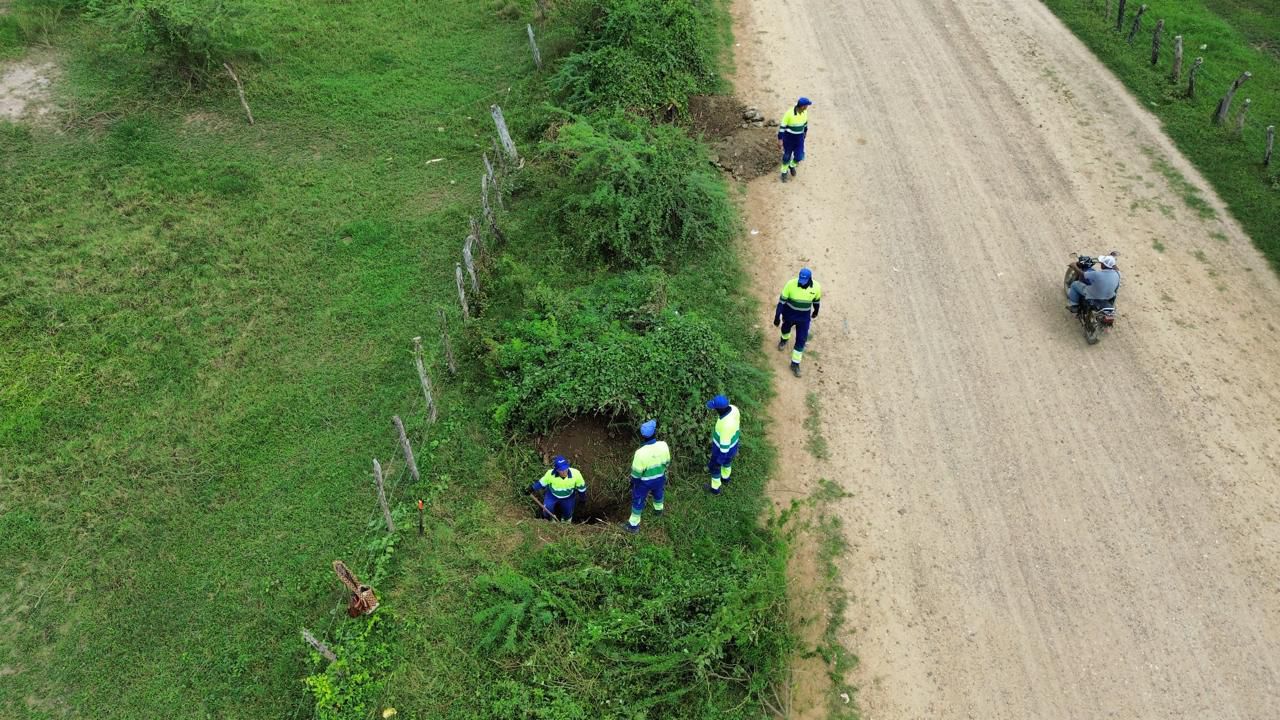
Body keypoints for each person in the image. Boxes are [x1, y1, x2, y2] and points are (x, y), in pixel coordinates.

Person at [774, 267, 823, 377]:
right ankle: (784, 340)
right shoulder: (790, 284)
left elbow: (816, 301)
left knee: (801, 340)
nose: (801, 283)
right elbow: (781, 302)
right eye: (801, 280)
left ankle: (795, 364)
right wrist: (777, 316)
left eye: (804, 281)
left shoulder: (816, 287)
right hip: (789, 315)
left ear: (810, 279)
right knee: (785, 330)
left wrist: (816, 311)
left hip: (804, 318)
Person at [625, 419, 671, 533]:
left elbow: (636, 474)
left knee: (638, 500)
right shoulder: (663, 445)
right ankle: (658, 511)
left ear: (642, 436)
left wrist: (634, 483)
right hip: (660, 478)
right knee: (658, 493)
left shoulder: (640, 453)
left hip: (644, 482)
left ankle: (633, 526)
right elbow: (667, 462)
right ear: (655, 432)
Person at [528, 455, 586, 521]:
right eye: (561, 470)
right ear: (557, 470)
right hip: (552, 495)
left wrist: (582, 500)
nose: (564, 471)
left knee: (568, 513)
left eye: (565, 468)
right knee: (547, 510)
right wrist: (532, 488)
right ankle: (549, 520)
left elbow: (582, 488)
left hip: (568, 497)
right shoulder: (550, 474)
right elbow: (541, 483)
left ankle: (565, 522)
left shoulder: (576, 474)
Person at [704, 394, 741, 495]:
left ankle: (715, 489)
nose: (714, 410)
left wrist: (718, 461)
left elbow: (724, 450)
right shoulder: (734, 409)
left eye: (715, 408)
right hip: (734, 446)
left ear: (719, 409)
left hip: (722, 450)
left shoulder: (725, 426)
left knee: (715, 468)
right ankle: (725, 478)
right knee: (727, 463)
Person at [777, 96, 813, 183]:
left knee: (799, 156)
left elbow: (805, 123)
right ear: (802, 106)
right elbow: (782, 127)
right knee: (786, 156)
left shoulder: (805, 112)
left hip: (799, 138)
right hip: (788, 139)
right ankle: (784, 172)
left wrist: (805, 132)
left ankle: (792, 165)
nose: (807, 107)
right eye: (806, 105)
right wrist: (780, 139)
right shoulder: (789, 113)